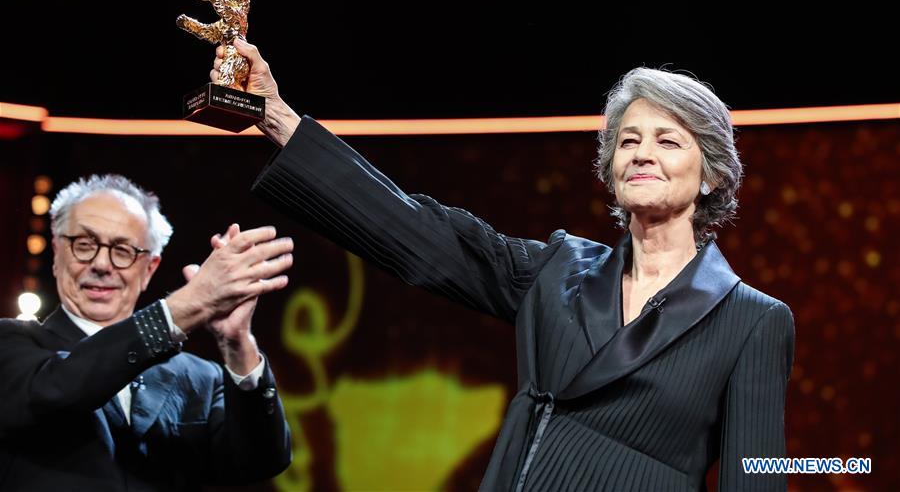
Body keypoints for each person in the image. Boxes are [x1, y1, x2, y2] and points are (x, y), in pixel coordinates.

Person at [225, 39, 795, 491]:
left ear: (713, 174)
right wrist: (277, 118)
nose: (642, 153)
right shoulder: (561, 271)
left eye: (668, 141)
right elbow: (424, 236)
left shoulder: (751, 320)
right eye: (627, 141)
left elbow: (757, 478)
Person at [0, 174, 294, 491]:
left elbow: (261, 462)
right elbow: (61, 388)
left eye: (123, 250)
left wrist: (238, 344)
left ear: (149, 269)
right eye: (84, 245)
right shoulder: (13, 348)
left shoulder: (201, 379)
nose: (101, 263)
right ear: (57, 254)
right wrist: (187, 304)